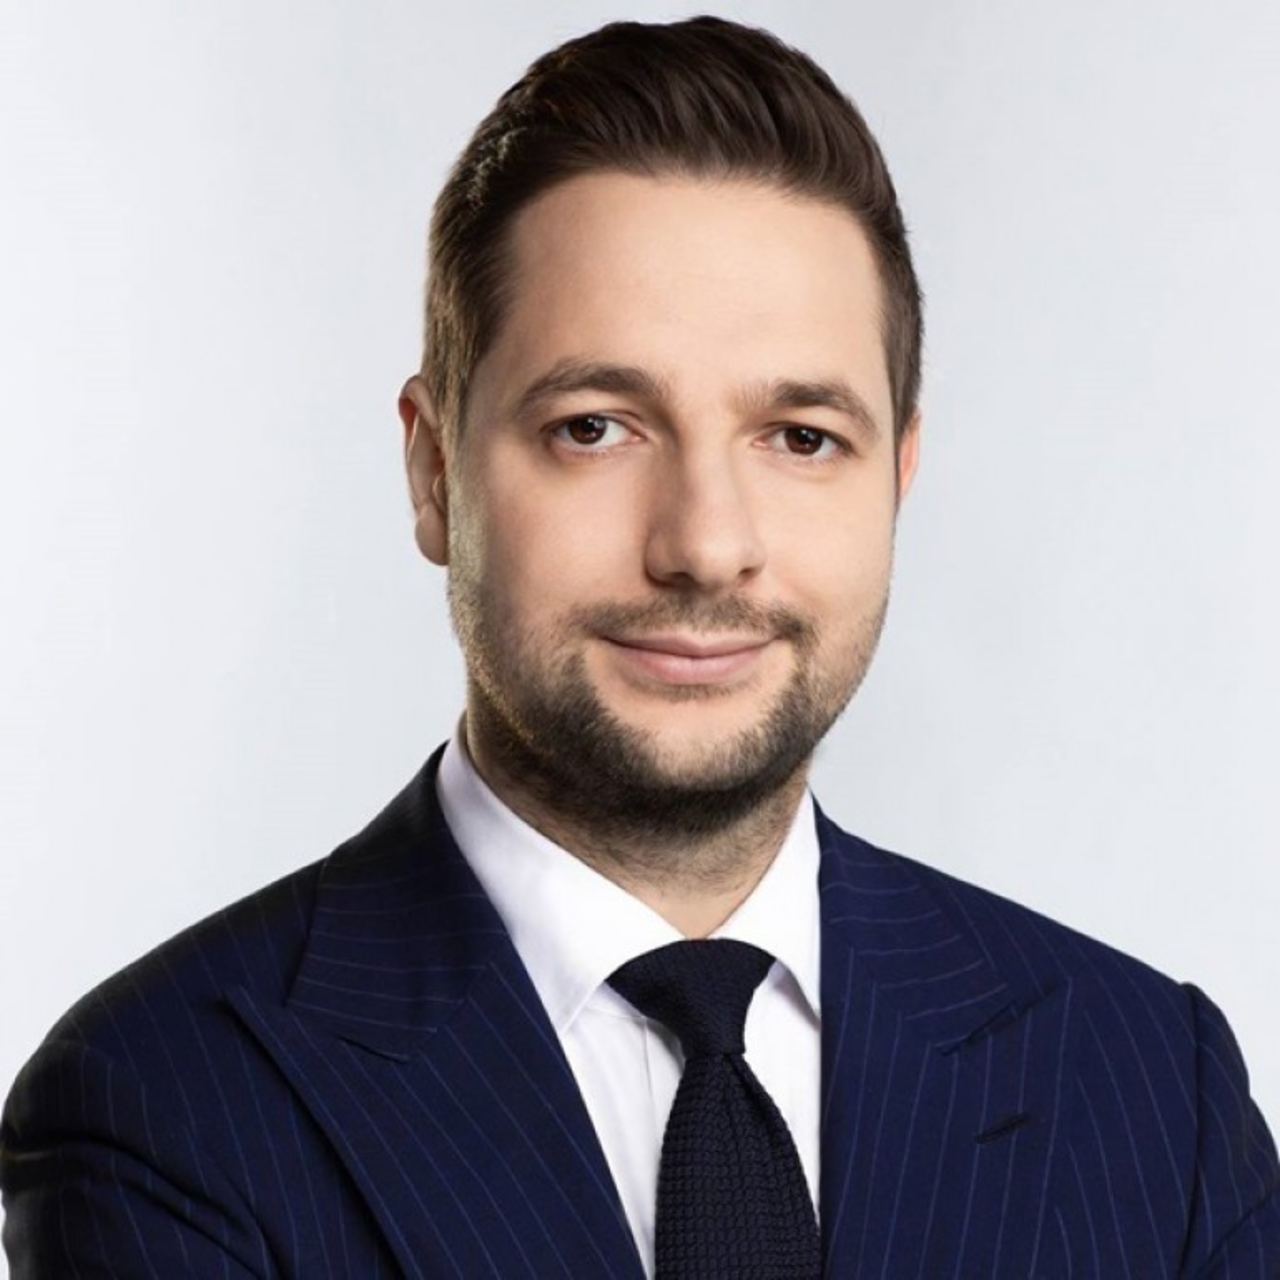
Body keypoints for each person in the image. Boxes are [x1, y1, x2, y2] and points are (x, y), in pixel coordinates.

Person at [3, 15, 1277, 1278]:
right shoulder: (163, 1104)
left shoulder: (1152, 1088)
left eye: (799, 438)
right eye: (594, 427)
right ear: (433, 469)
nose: (705, 545)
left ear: (897, 476)